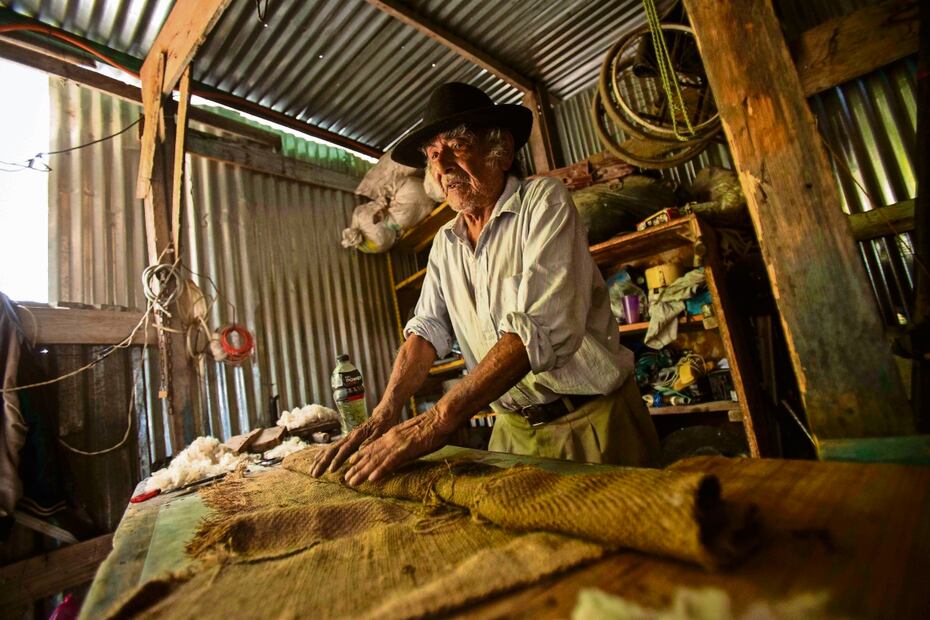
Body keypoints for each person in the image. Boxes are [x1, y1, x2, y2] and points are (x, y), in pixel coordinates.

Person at [310, 82, 659, 485]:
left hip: (593, 422)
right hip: (512, 432)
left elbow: (534, 332)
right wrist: (383, 415)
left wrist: (434, 422)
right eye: (433, 155)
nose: (441, 167)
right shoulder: (445, 242)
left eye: (456, 145)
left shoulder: (543, 202)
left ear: (503, 150)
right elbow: (425, 331)